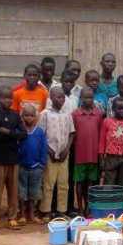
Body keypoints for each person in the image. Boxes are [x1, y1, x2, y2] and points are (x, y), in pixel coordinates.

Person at [0, 85, 27, 231]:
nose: (7, 100)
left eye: (10, 98)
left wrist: (7, 131)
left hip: (13, 158)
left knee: (13, 191)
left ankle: (12, 218)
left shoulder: (15, 115)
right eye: (4, 98)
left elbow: (23, 134)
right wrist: (12, 134)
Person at [38, 86, 75, 221]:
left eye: (63, 97)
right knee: (48, 183)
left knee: (63, 183)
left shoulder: (67, 113)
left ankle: (61, 210)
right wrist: (49, 150)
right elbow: (40, 135)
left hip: (64, 154)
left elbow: (72, 133)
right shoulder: (45, 114)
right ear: (51, 98)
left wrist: (67, 149)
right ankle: (46, 211)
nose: (61, 99)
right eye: (58, 97)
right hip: (50, 154)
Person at [72, 86, 104, 216]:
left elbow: (100, 133)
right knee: (79, 183)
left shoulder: (98, 114)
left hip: (93, 155)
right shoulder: (75, 114)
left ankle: (88, 207)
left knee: (91, 183)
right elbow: (72, 134)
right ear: (81, 98)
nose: (88, 99)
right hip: (80, 155)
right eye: (86, 97)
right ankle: (79, 207)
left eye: (91, 97)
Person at [17, 104, 47, 225]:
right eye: (26, 115)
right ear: (22, 115)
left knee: (33, 192)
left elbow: (44, 148)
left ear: (36, 116)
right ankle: (22, 214)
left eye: (31, 115)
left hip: (36, 167)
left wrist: (42, 164)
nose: (29, 118)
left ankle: (32, 214)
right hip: (22, 166)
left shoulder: (39, 131)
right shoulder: (20, 131)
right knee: (22, 191)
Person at [99, 97, 123, 188]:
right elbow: (102, 141)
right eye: (119, 109)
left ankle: (120, 202)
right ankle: (109, 201)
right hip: (111, 157)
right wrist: (101, 158)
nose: (121, 111)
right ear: (114, 108)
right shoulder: (107, 122)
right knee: (109, 183)